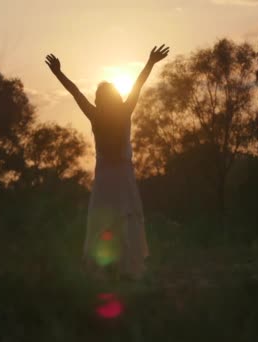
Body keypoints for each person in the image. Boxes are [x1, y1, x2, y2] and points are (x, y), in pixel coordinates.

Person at [45, 45, 170, 280]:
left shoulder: (97, 115)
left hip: (106, 178)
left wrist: (58, 73)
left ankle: (105, 270)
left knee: (103, 220)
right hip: (121, 176)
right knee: (125, 217)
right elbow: (138, 85)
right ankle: (126, 269)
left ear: (101, 100)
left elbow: (75, 93)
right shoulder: (122, 112)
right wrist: (150, 62)